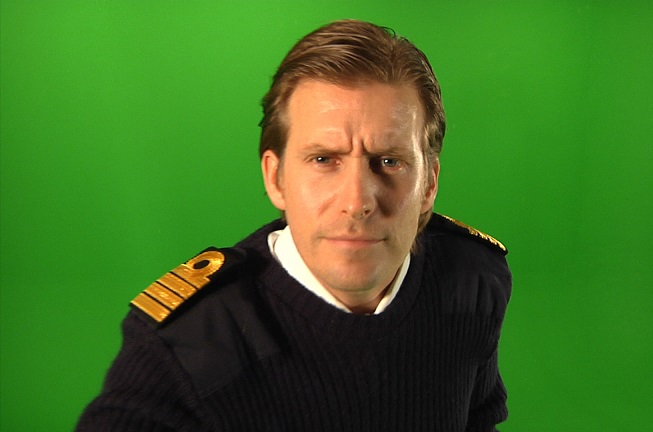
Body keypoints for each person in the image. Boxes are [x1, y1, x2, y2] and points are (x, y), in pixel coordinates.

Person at [76, 19, 512, 431]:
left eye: (388, 161)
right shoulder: (185, 345)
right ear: (276, 178)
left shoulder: (472, 279)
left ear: (429, 184)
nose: (357, 202)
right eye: (324, 159)